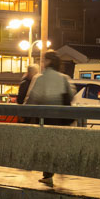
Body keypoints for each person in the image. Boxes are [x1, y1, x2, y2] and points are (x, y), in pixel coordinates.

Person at [23, 51, 75, 186]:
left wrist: (24, 113)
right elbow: (71, 95)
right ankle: (61, 168)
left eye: (43, 60)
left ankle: (47, 175)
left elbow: (32, 99)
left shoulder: (40, 78)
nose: (42, 63)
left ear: (48, 61)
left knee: (46, 146)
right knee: (58, 145)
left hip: (45, 119)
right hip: (61, 119)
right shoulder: (64, 78)